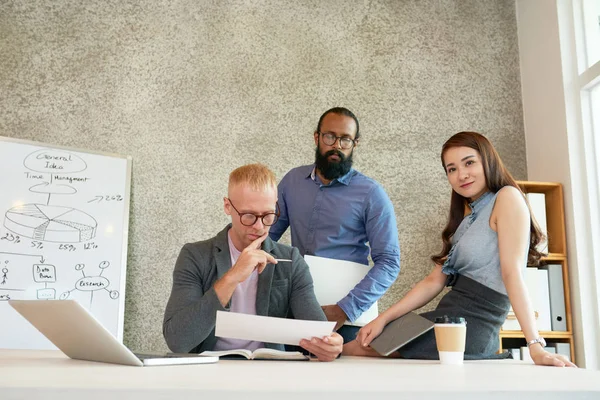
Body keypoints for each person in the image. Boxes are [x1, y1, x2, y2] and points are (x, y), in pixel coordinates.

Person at [344, 131, 576, 367]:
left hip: (471, 326)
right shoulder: (466, 220)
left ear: (488, 160)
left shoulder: (507, 197)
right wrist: (382, 319)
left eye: (469, 163)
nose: (461, 175)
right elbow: (433, 281)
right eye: (451, 169)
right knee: (354, 345)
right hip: (447, 317)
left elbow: (512, 274)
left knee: (353, 349)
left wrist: (535, 345)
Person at [163, 163, 343, 361]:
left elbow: (316, 330)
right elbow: (177, 340)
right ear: (227, 206)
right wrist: (232, 277)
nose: (259, 226)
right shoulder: (195, 255)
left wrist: (331, 345)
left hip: (270, 370)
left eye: (268, 215)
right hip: (210, 368)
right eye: (248, 216)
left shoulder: (290, 260)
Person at [269, 107, 401, 343]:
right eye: (330, 137)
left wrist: (345, 309)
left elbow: (390, 263)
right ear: (316, 137)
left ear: (354, 144)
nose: (337, 146)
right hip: (297, 309)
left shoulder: (372, 194)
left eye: (345, 140)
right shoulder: (291, 182)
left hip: (348, 320)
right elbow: (265, 238)